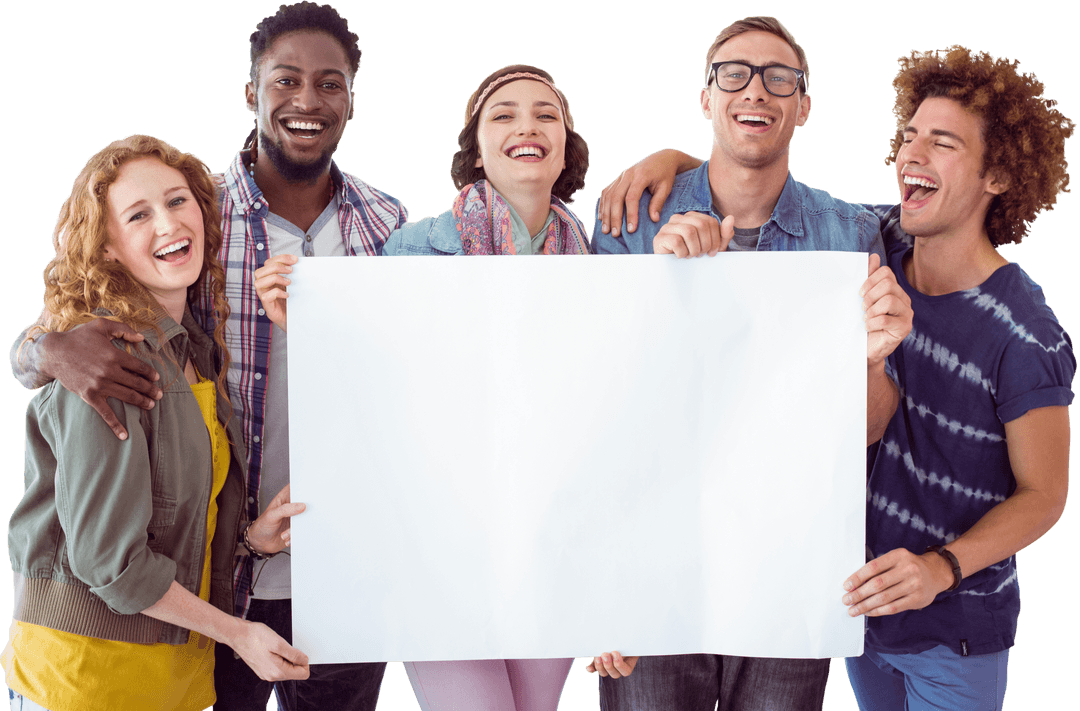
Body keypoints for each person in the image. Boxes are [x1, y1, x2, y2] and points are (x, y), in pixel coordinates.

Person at [7, 4, 407, 710]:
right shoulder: (194, 213)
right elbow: (59, 334)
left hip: (345, 564)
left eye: (330, 84)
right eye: (286, 81)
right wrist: (48, 348)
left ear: (352, 99)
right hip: (211, 587)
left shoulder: (387, 221)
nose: (307, 101)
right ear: (252, 94)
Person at [255, 63, 632, 711]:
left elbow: (617, 427)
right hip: (438, 547)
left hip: (548, 544)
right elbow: (371, 382)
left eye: (546, 114)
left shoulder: (602, 269)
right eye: (503, 114)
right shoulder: (412, 252)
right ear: (477, 148)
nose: (527, 126)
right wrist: (307, 318)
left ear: (566, 145)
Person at [588, 16, 913, 711]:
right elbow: (599, 405)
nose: (754, 89)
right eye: (733, 73)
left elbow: (868, 426)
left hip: (790, 560)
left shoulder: (850, 233)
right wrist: (662, 282)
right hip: (656, 559)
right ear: (707, 98)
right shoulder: (630, 221)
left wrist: (870, 361)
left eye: (779, 76)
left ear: (803, 103)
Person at [1, 134, 308, 711]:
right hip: (89, 681)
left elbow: (173, 526)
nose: (167, 223)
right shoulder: (108, 359)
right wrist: (239, 633)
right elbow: (110, 563)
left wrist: (249, 539)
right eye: (138, 214)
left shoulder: (193, 350)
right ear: (109, 246)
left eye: (177, 201)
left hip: (175, 679)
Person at [836, 47, 1074, 710]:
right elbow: (781, 199)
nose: (913, 153)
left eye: (941, 143)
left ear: (997, 172)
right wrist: (677, 165)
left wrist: (940, 568)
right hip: (860, 615)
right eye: (910, 137)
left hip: (956, 631)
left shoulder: (1024, 330)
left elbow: (1044, 495)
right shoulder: (872, 241)